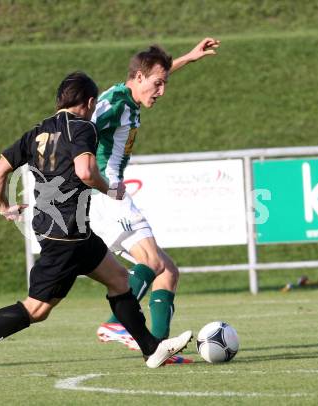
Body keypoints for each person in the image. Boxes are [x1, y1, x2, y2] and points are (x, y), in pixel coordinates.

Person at [0, 71, 193, 378]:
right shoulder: (83, 127)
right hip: (67, 234)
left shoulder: (37, 132)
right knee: (35, 309)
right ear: (90, 102)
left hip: (65, 232)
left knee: (119, 281)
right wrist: (109, 188)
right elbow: (85, 171)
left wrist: (4, 207)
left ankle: (151, 349)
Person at [90, 39, 220, 360]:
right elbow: (82, 127)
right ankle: (116, 322)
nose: (161, 91)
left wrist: (189, 57)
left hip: (109, 197)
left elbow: (155, 76)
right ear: (137, 78)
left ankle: (157, 349)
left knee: (167, 272)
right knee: (152, 261)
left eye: (164, 83)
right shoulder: (116, 103)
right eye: (157, 84)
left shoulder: (132, 94)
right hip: (110, 194)